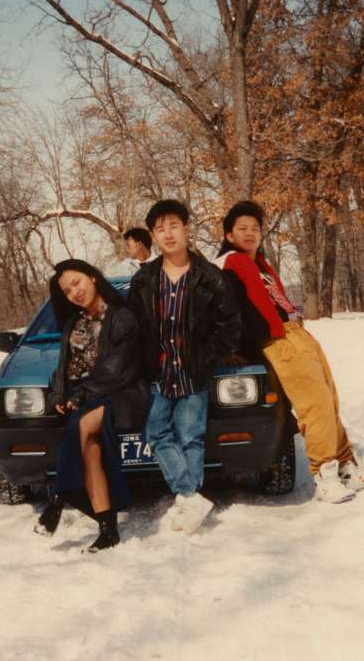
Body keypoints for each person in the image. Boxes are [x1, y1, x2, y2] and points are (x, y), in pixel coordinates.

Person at [214, 200, 364, 503]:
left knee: (329, 399)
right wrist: (231, 348)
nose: (250, 233)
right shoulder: (229, 264)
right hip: (277, 342)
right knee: (314, 404)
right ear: (229, 235)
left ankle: (347, 467)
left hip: (294, 334)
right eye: (242, 228)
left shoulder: (261, 265)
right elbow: (225, 311)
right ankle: (325, 474)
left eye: (255, 228)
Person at [127, 200, 241, 534]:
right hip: (159, 374)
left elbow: (230, 324)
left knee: (191, 437)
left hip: (195, 373)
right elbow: (133, 327)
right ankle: (190, 495)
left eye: (173, 225)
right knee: (157, 432)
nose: (168, 234)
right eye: (160, 229)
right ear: (153, 236)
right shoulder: (144, 280)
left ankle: (188, 501)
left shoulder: (210, 277)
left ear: (187, 229)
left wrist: (206, 355)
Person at [35, 259, 148, 552]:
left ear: (93, 278)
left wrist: (81, 393)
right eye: (67, 290)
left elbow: (119, 367)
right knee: (92, 449)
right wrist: (58, 395)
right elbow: (64, 367)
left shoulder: (122, 316)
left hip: (119, 392)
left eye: (77, 282)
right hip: (83, 396)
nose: (74, 292)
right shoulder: (74, 322)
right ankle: (108, 530)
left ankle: (58, 498)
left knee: (83, 424)